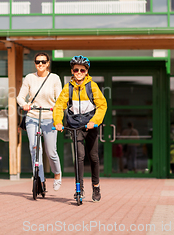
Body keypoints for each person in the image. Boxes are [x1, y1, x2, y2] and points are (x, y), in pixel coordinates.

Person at [53, 55, 107, 202]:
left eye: (82, 70)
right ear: (72, 71)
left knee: (94, 157)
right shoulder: (68, 87)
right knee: (79, 157)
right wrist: (58, 122)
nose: (79, 72)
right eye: (76, 69)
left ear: (86, 72)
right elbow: (59, 106)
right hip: (75, 126)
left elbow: (102, 105)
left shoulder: (92, 86)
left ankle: (96, 186)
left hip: (90, 125)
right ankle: (79, 189)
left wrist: (94, 122)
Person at [17, 53, 63, 192]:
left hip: (49, 117)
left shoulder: (54, 78)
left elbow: (60, 98)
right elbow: (20, 97)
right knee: (34, 148)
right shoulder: (30, 78)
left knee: (51, 151)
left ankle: (57, 174)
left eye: (43, 61)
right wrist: (24, 104)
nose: (40, 64)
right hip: (32, 116)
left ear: (48, 63)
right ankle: (40, 180)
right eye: (38, 62)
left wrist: (57, 106)